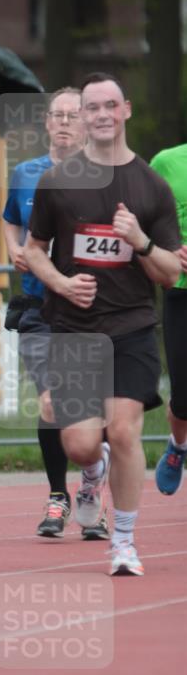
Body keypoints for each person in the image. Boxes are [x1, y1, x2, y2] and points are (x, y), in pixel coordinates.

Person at [24, 73, 181, 576]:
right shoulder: (58, 181)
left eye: (110, 105)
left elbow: (171, 272)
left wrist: (140, 241)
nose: (101, 115)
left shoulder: (150, 185)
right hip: (73, 329)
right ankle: (92, 472)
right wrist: (61, 284)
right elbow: (33, 251)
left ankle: (125, 541)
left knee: (127, 431)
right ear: (81, 116)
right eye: (91, 107)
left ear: (126, 111)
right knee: (80, 443)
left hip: (132, 326)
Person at [3, 87, 108, 541]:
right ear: (46, 123)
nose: (64, 122)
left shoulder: (105, 173)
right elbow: (11, 219)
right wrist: (12, 247)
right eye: (57, 115)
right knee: (51, 402)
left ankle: (91, 487)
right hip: (39, 306)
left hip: (89, 306)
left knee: (90, 405)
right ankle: (56, 495)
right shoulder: (25, 173)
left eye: (73, 115)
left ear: (86, 123)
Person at [149, 143, 187, 495]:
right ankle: (178, 447)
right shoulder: (166, 161)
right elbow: (144, 217)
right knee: (183, 399)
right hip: (181, 289)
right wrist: (168, 249)